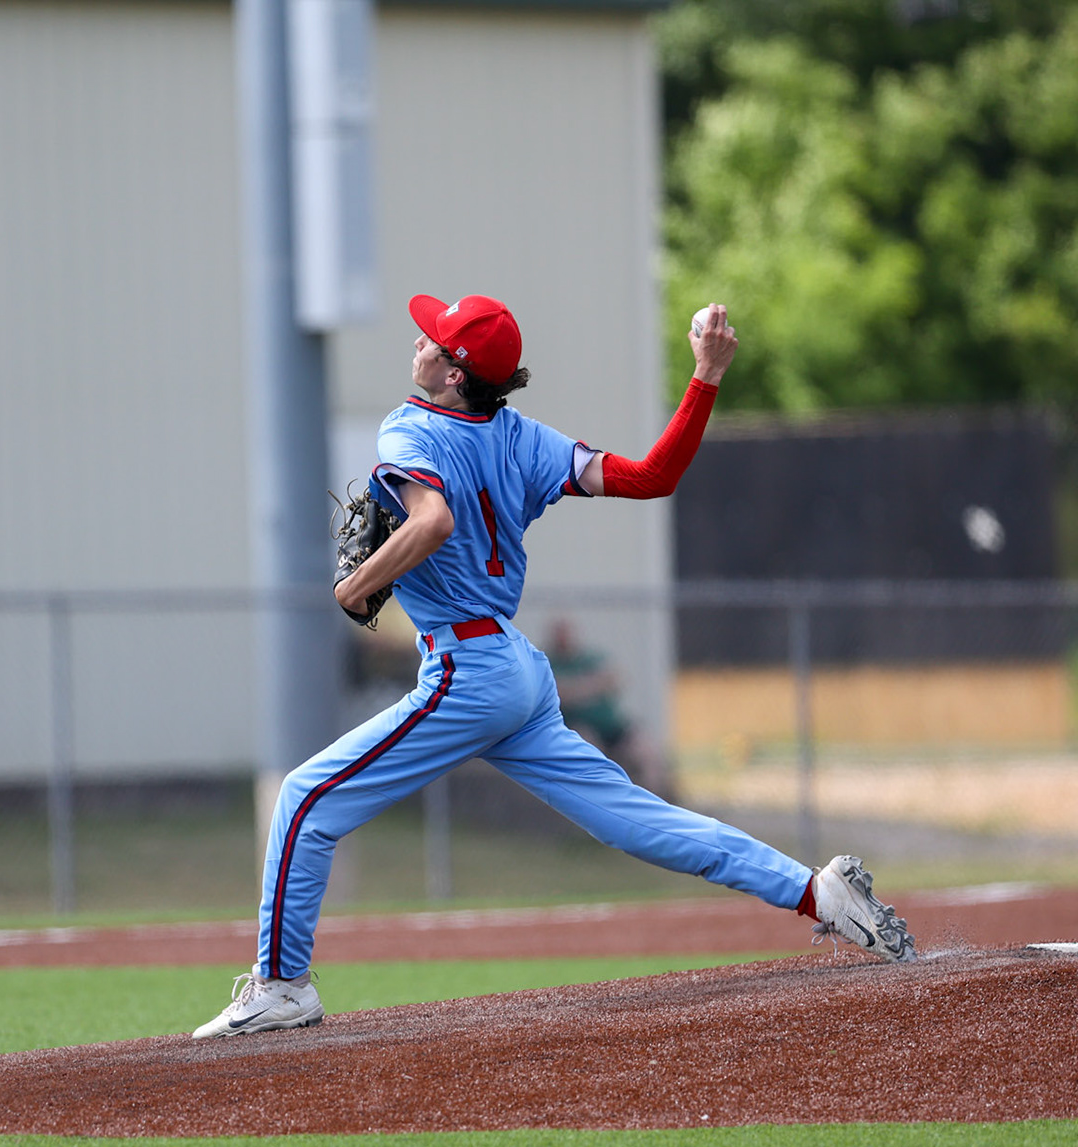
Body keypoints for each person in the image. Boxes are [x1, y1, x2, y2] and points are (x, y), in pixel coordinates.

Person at [194, 295, 915, 1039]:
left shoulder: (410, 427)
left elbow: (433, 521)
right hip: (516, 670)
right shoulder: (522, 437)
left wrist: (356, 583)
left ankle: (282, 986)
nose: (419, 341)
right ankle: (817, 894)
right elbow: (651, 476)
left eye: (434, 340)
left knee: (305, 800)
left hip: (469, 672)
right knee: (641, 822)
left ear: (450, 375)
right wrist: (705, 378)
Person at [545, 617, 667, 796]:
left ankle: (656, 800)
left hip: (612, 726)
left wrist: (577, 688)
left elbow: (613, 678)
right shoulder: (548, 662)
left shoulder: (590, 657)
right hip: (579, 726)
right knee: (587, 744)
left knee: (647, 749)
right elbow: (559, 693)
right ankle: (603, 800)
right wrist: (592, 685)